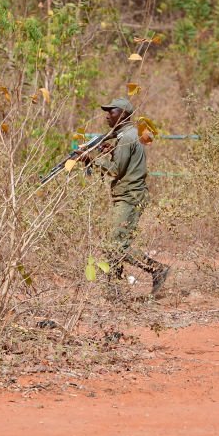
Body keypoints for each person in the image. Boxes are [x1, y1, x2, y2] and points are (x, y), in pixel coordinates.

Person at [83, 98, 169, 297]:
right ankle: (113, 290)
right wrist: (107, 152)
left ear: (122, 115)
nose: (107, 116)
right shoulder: (127, 135)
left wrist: (92, 159)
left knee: (116, 244)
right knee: (113, 242)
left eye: (111, 112)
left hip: (130, 196)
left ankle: (157, 270)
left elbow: (115, 171)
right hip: (128, 194)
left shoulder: (125, 138)